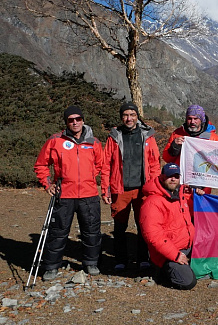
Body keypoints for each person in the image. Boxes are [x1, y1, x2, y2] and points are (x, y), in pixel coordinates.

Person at [33, 105, 103, 280]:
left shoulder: (94, 142)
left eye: (78, 119)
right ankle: (51, 266)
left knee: (92, 230)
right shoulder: (55, 140)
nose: (75, 122)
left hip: (89, 194)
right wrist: (47, 184)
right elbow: (41, 164)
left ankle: (91, 263)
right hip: (64, 194)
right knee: (58, 231)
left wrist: (87, 177)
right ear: (66, 122)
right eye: (71, 120)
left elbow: (100, 164)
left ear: (83, 120)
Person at [100, 102, 161, 272]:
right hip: (120, 189)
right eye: (126, 115)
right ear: (121, 117)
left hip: (143, 189)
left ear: (137, 116)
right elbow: (106, 164)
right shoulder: (114, 136)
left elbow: (154, 163)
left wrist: (155, 188)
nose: (129, 118)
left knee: (143, 225)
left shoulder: (147, 135)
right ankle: (120, 259)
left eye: (132, 115)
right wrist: (105, 188)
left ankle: (143, 258)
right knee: (120, 227)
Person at [139, 163, 196, 290]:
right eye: (170, 176)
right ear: (162, 177)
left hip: (186, 246)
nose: (173, 179)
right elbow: (153, 236)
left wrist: (197, 195)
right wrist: (175, 255)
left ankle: (184, 263)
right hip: (169, 253)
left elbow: (194, 213)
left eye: (176, 176)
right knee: (188, 281)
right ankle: (162, 270)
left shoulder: (180, 195)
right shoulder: (152, 202)